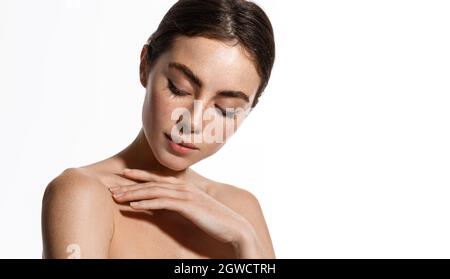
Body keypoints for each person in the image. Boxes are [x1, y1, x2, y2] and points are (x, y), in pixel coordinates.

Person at [41, 0, 276, 259]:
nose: (194, 123)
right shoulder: (82, 194)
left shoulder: (241, 211)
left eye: (226, 109)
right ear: (145, 66)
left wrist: (244, 240)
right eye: (179, 89)